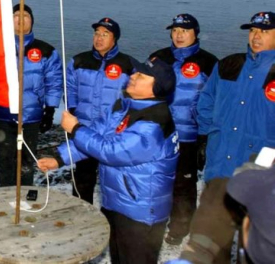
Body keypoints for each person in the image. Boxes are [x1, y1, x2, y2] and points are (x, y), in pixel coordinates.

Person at [38, 57, 179, 264]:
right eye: (135, 72)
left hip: (140, 212)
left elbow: (110, 151)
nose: (133, 76)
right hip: (116, 202)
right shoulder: (124, 106)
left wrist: (76, 129)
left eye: (141, 76)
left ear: (156, 88)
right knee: (118, 258)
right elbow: (97, 134)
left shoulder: (154, 123)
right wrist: (60, 159)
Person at [179, 12, 275, 264]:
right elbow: (206, 101)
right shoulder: (228, 64)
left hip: (259, 175)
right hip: (220, 166)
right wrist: (208, 135)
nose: (256, 36)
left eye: (264, 31)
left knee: (254, 245)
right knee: (212, 242)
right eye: (253, 30)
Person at [149, 14, 218, 245]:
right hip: (159, 134)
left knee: (184, 184)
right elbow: (142, 91)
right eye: (175, 30)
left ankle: (179, 228)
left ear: (195, 33)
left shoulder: (209, 62)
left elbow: (216, 101)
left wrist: (206, 136)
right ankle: (154, 222)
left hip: (189, 136)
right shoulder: (158, 58)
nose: (179, 35)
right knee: (156, 181)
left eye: (185, 30)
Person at [0, 3, 63, 186]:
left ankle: (24, 194)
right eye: (16, 15)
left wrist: (50, 111)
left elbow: (54, 82)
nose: (21, 19)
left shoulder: (46, 51)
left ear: (32, 21)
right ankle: (5, 194)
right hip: (4, 114)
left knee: (26, 161)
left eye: (25, 16)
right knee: (6, 160)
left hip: (32, 116)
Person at [65, 17, 134, 204]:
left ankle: (112, 215)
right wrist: (73, 113)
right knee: (82, 177)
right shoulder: (79, 61)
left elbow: (136, 96)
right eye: (96, 33)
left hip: (113, 133)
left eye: (105, 34)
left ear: (115, 38)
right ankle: (80, 211)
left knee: (113, 179)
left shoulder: (128, 64)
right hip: (85, 128)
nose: (99, 38)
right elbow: (70, 89)